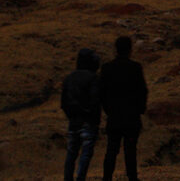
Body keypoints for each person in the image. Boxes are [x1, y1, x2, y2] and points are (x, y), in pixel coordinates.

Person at [100, 36, 148, 181]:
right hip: (131, 116)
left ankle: (107, 177)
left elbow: (102, 92)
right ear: (130, 50)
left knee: (111, 149)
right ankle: (132, 177)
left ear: (116, 49)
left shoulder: (107, 68)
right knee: (130, 150)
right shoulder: (135, 68)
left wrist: (108, 110)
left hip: (114, 115)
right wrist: (140, 109)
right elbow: (142, 90)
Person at [60, 48, 101, 181]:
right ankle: (80, 178)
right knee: (86, 154)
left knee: (71, 154)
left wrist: (72, 115)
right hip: (88, 121)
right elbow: (95, 100)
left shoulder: (69, 78)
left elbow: (63, 102)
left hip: (73, 121)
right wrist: (91, 115)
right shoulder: (92, 78)